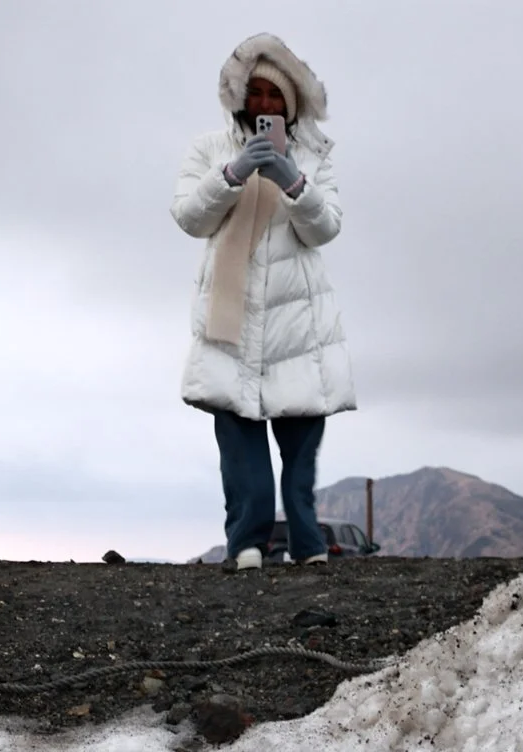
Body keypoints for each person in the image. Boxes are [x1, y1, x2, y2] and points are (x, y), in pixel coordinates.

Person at [171, 34, 354, 570]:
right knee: (238, 435)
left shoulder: (316, 158)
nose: (265, 105)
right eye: (256, 93)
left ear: (291, 102)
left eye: (276, 95)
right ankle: (247, 544)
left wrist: (294, 182)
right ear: (241, 98)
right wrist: (231, 175)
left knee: (300, 441)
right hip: (231, 315)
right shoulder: (209, 149)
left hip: (297, 318)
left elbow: (325, 230)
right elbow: (189, 217)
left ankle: (308, 543)